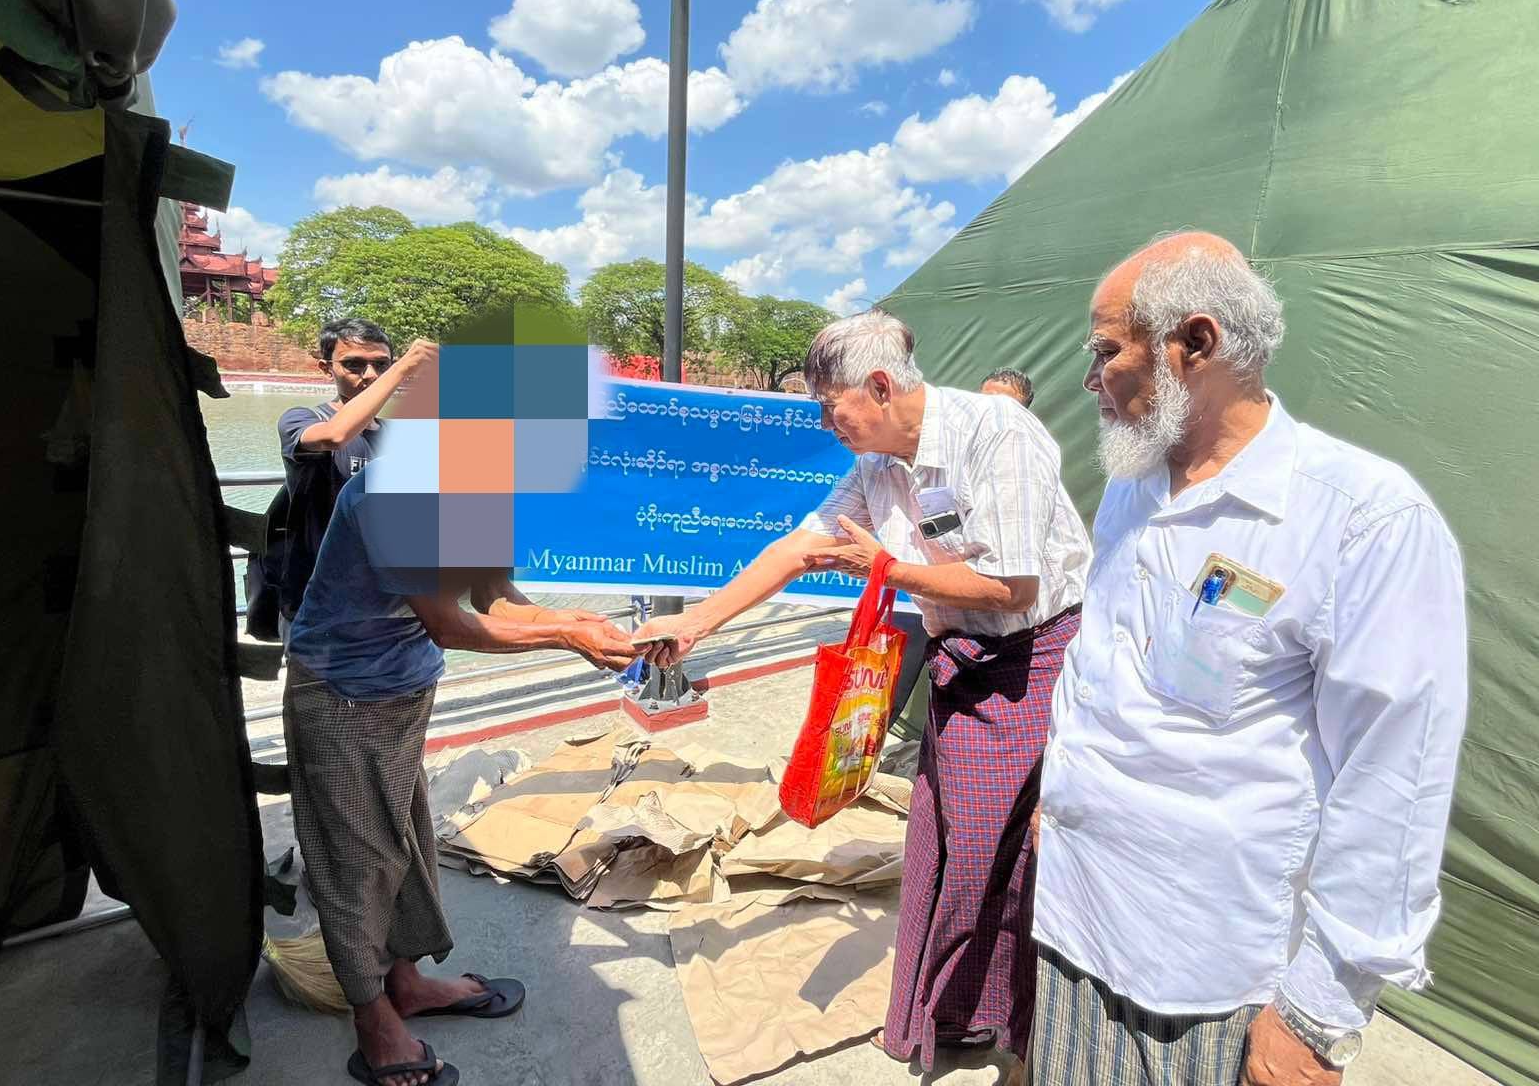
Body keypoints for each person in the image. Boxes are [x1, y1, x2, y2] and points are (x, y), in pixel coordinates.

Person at [1029, 233, 1468, 1086]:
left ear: (1196, 343)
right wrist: (1061, 791)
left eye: (1106, 351)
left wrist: (1319, 1014)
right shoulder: (1132, 483)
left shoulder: (1364, 520)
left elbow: (1395, 781)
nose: (1091, 380)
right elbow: (1099, 660)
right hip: (1075, 915)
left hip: (1212, 970)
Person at [635, 310, 1092, 1079]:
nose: (825, 423)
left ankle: (1014, 1024)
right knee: (944, 843)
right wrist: (697, 623)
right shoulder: (879, 463)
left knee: (998, 854)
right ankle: (949, 1013)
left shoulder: (998, 434)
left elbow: (1012, 587)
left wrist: (889, 569)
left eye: (829, 405)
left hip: (1032, 663)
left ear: (879, 386)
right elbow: (802, 546)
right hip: (963, 661)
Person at [284, 466, 637, 1086]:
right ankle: (373, 1020)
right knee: (357, 862)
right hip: (341, 694)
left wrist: (577, 620)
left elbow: (493, 597)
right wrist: (565, 635)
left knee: (407, 844)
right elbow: (448, 624)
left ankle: (407, 983)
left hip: (401, 692)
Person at [269, 318, 438, 641]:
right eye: (354, 365)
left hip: (389, 605)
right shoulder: (301, 420)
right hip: (319, 608)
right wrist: (401, 369)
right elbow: (336, 436)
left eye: (381, 365)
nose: (371, 375)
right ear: (326, 368)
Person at [892, 366, 1035, 734]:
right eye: (984, 401)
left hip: (978, 624)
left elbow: (1009, 585)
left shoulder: (1023, 467)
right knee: (888, 691)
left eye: (1004, 406)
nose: (990, 412)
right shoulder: (947, 451)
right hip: (922, 600)